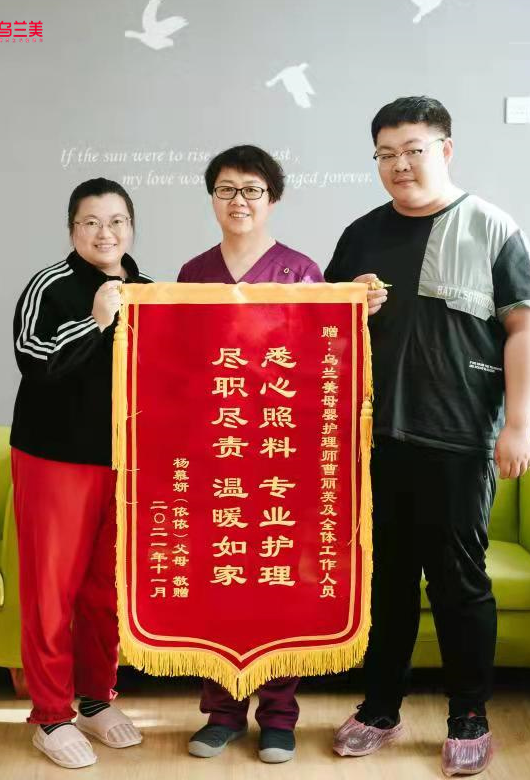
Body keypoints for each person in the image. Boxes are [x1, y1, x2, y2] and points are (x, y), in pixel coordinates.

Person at [324, 97, 530, 777]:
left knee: (458, 582)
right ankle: (379, 708)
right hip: (376, 437)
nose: (400, 164)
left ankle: (468, 715)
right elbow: (321, 333)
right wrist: (350, 302)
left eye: (413, 150)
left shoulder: (491, 226)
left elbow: (524, 326)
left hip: (457, 437)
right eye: (386, 154)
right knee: (385, 579)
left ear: (445, 149)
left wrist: (517, 425)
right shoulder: (361, 235)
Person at [178, 145, 323, 764]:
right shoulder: (192, 274)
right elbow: (177, 364)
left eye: (252, 190)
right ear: (212, 197)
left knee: (280, 583)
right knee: (219, 580)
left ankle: (280, 717)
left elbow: (324, 359)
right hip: (216, 453)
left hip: (281, 456)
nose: (239, 201)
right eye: (226, 189)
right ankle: (222, 713)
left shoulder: (302, 271)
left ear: (273, 199)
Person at [11, 178, 152, 769]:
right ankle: (50, 714)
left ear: (131, 228)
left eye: (116, 221)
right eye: (90, 222)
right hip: (54, 459)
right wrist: (95, 320)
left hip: (125, 462)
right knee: (51, 591)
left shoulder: (149, 291)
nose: (104, 233)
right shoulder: (49, 285)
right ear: (72, 230)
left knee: (107, 590)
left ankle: (95, 699)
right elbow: (32, 359)